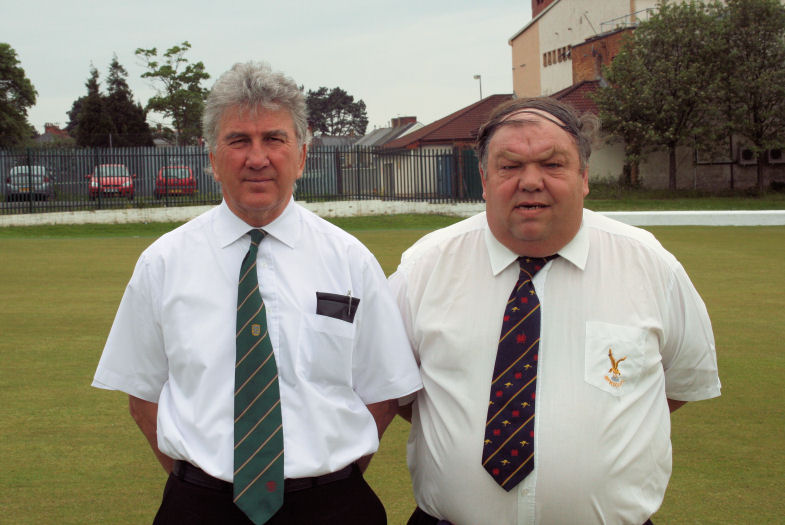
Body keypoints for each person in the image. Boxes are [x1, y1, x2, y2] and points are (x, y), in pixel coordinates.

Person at [92, 62, 421, 525]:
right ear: (211, 157)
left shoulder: (351, 260)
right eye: (238, 140)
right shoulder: (163, 263)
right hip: (201, 507)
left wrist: (327, 475)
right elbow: (143, 395)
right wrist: (203, 480)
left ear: (302, 155)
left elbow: (383, 392)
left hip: (332, 506)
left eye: (274, 138)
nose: (257, 157)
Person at [389, 97, 721, 525]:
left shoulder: (650, 265)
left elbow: (675, 385)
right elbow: (396, 389)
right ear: (485, 179)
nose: (531, 181)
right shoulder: (424, 267)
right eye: (510, 166)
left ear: (584, 176)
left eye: (552, 164)